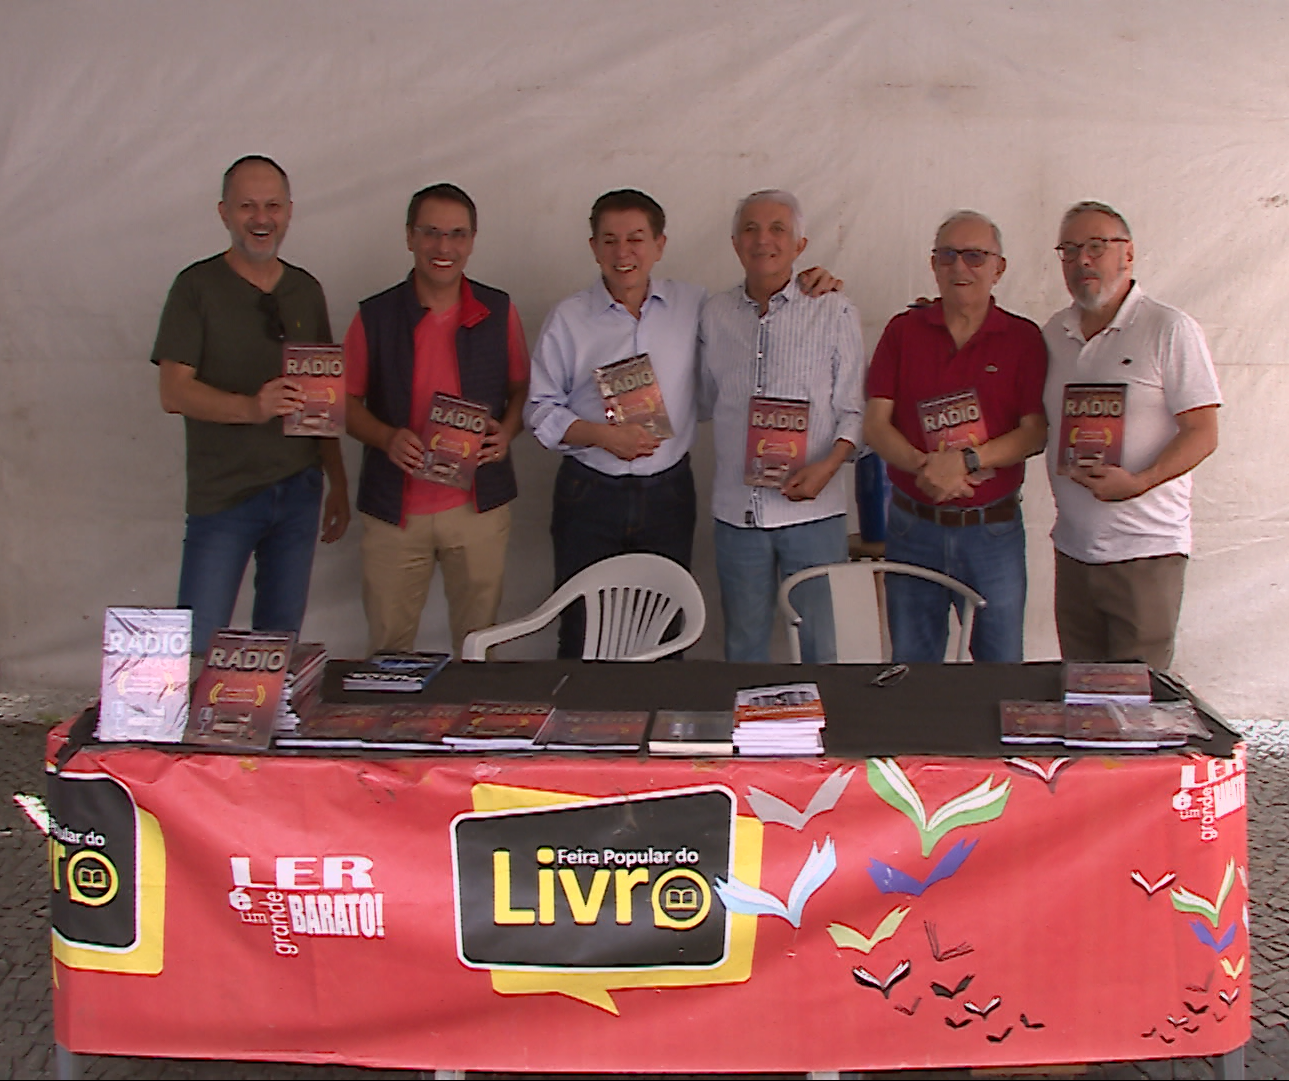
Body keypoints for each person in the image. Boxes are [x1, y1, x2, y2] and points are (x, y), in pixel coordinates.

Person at [525, 189, 839, 658]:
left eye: (636, 238)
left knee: (667, 629)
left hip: (667, 493)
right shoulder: (568, 319)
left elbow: (747, 328)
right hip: (590, 492)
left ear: (660, 245)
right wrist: (601, 436)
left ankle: (656, 727)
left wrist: (812, 283)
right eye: (609, 240)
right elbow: (538, 409)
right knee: (582, 627)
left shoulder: (697, 306)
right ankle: (584, 724)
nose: (623, 252)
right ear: (593, 247)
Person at [153, 155, 349, 654]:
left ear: (289, 212)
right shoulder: (195, 288)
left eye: (272, 206)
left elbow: (321, 396)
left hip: (299, 491)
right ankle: (188, 733)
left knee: (278, 645)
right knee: (198, 642)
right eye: (247, 207)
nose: (261, 219)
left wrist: (338, 482)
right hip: (225, 497)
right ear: (223, 213)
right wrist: (253, 408)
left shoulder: (305, 289)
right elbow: (173, 392)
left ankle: (269, 734)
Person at [344, 183, 529, 656]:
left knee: (478, 649)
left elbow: (522, 389)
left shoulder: (499, 310)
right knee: (389, 651)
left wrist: (506, 432)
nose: (443, 247)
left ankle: (467, 732)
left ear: (471, 240)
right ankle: (389, 731)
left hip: (477, 507)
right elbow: (342, 403)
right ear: (409, 237)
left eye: (456, 235)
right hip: (395, 510)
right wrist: (385, 437)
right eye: (431, 233)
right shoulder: (374, 316)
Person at [1043, 200, 1220, 671]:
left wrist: (1139, 482)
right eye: (1070, 250)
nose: (1083, 260)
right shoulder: (1053, 334)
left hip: (1145, 552)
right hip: (1074, 551)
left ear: (1128, 254)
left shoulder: (1169, 329)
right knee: (1082, 702)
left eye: (1097, 247)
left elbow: (1203, 432)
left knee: (1138, 709)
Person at [863, 210, 1047, 663]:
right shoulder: (902, 331)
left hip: (993, 532)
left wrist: (964, 462)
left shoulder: (1024, 339)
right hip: (912, 526)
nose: (960, 268)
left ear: (999, 268)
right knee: (912, 668)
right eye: (948, 256)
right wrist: (928, 468)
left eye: (975, 256)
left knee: (1000, 671)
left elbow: (1035, 432)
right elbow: (875, 424)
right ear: (933, 264)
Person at [699, 190, 865, 663]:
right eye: (750, 229)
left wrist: (829, 466)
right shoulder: (714, 314)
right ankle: (748, 736)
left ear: (800, 244)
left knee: (821, 646)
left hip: (814, 513)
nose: (763, 240)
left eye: (778, 230)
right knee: (743, 646)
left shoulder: (835, 310)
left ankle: (818, 737)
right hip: (738, 515)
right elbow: (704, 401)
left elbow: (856, 410)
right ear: (734, 243)